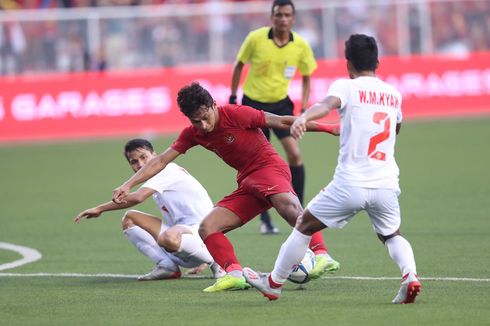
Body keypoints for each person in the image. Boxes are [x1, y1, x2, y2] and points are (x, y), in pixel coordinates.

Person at [243, 34, 422, 304]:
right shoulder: (394, 94)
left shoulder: (347, 87)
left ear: (347, 63)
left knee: (304, 224)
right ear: (378, 63)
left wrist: (303, 117)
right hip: (385, 183)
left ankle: (273, 283)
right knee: (391, 235)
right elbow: (395, 129)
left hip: (350, 183)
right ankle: (410, 275)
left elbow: (325, 105)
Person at [112, 82, 341, 292]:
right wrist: (128, 184)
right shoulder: (194, 133)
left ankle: (322, 255)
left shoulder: (236, 113)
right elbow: (161, 160)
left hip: (269, 168)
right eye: (195, 121)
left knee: (289, 209)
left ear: (213, 104)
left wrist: (328, 128)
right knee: (208, 227)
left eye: (205, 117)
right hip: (248, 181)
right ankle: (233, 274)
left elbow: (281, 120)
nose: (203, 125)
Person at [74, 138, 225, 281]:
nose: (140, 164)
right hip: (182, 243)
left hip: (201, 236)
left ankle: (218, 262)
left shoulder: (168, 169)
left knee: (167, 237)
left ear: (155, 155)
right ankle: (167, 266)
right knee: (130, 218)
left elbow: (138, 197)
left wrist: (100, 208)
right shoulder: (155, 182)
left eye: (144, 157)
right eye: (134, 162)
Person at [230, 0, 316, 235]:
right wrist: (233, 96)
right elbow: (239, 65)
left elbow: (307, 75)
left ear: (293, 18)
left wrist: (305, 106)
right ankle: (265, 219)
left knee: (295, 154)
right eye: (279, 15)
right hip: (253, 106)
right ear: (272, 17)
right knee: (258, 164)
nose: (283, 19)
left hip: (280, 105)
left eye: (287, 15)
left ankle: (299, 209)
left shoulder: (300, 45)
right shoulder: (255, 38)